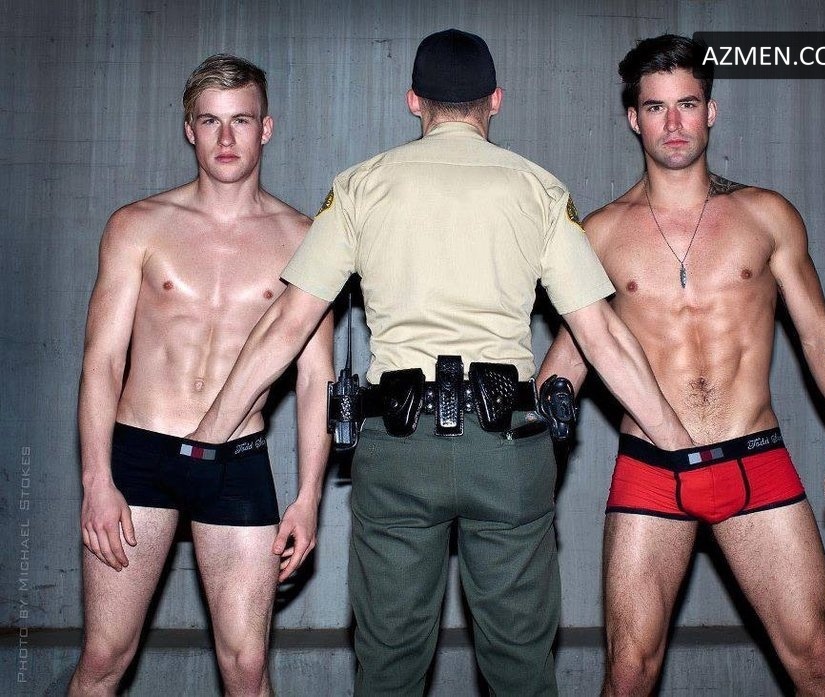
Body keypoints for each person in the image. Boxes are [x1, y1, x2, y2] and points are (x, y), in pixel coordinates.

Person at [189, 29, 691, 697]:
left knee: (389, 667)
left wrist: (207, 436)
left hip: (399, 449)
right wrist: (680, 446)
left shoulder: (361, 185)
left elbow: (288, 324)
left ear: (413, 101)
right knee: (521, 668)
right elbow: (600, 334)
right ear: (496, 100)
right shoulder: (538, 188)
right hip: (507, 449)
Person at [538, 34, 825, 697]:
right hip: (651, 470)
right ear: (633, 118)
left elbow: (820, 335)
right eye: (655, 107)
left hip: (753, 459)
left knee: (815, 659)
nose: (673, 123)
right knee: (629, 672)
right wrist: (525, 472)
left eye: (687, 104)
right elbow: (567, 365)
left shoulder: (765, 216)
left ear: (710, 112)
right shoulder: (599, 234)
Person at [69, 54, 334, 697]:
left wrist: (309, 496)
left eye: (240, 120)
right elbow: (102, 361)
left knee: (246, 669)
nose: (225, 137)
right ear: (190, 129)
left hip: (236, 461)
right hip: (140, 456)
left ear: (265, 128)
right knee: (104, 657)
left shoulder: (307, 239)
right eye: (210, 121)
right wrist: (97, 478)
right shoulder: (137, 226)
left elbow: (315, 381)